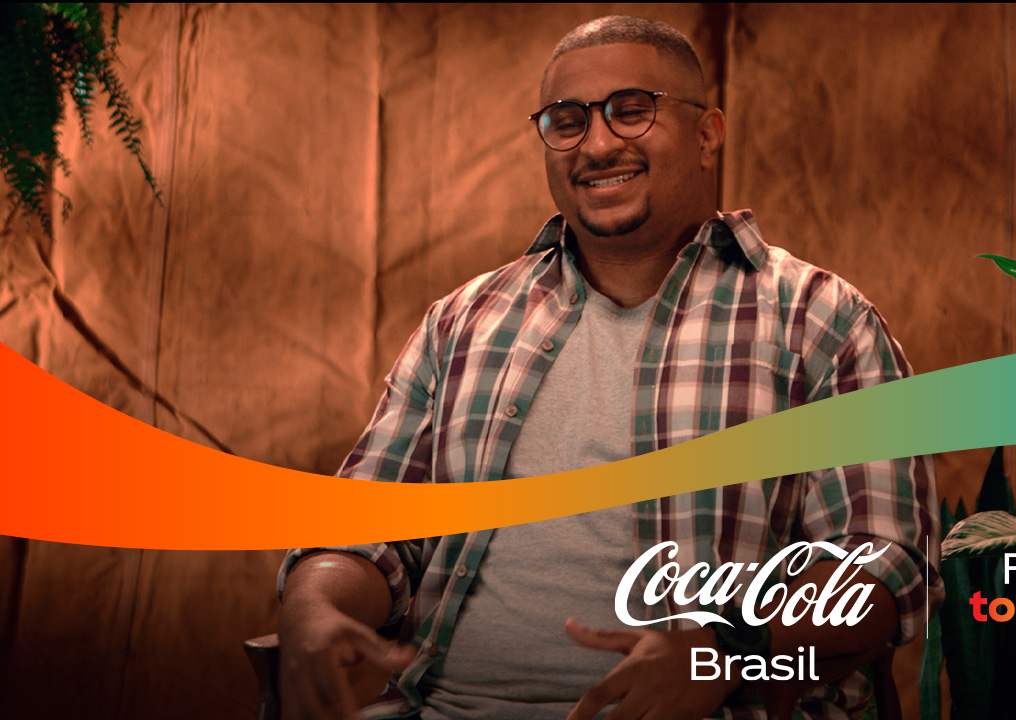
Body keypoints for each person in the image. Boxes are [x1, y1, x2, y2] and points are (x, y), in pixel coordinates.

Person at [277, 15, 941, 720]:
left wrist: (727, 653)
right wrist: (314, 605)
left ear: (707, 134)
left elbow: (884, 567)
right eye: (567, 122)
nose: (596, 145)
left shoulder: (819, 319)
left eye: (631, 111)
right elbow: (368, 530)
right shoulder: (462, 321)